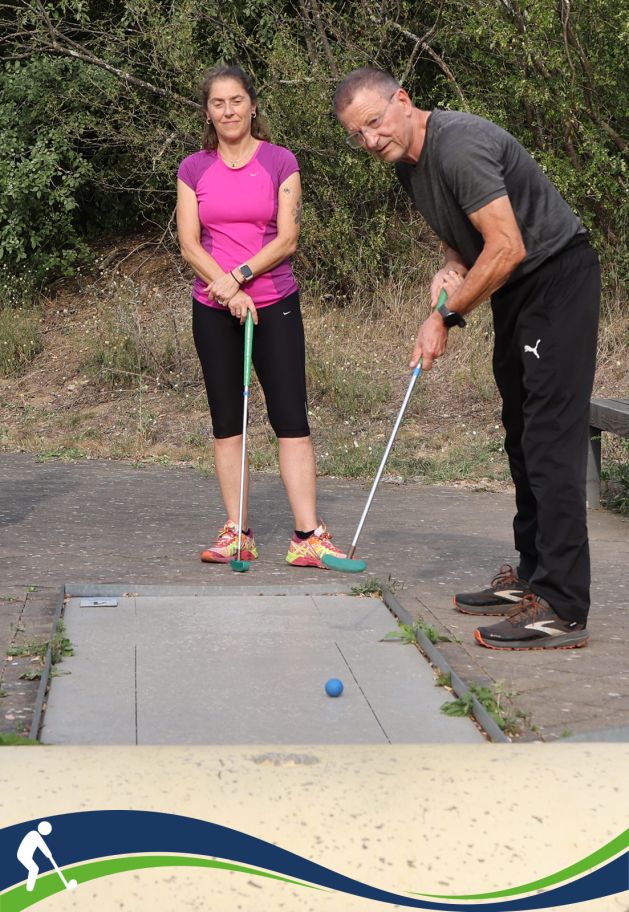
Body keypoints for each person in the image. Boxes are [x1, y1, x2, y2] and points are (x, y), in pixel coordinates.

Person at [334, 68, 600, 650]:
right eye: (358, 135)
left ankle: (561, 606)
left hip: (555, 279)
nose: (371, 141)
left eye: (375, 123)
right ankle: (531, 575)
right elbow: (471, 236)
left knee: (551, 439)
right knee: (521, 432)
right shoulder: (409, 165)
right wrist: (451, 263)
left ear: (402, 101)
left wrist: (446, 316)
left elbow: (508, 245)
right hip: (518, 291)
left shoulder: (458, 145)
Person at [177, 65, 345, 568]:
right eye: (217, 103)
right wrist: (226, 289)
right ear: (208, 111)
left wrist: (242, 276)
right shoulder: (193, 168)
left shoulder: (280, 161)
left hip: (275, 302)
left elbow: (287, 238)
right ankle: (237, 532)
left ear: (253, 105)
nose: (228, 111)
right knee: (227, 423)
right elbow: (189, 243)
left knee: (291, 419)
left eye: (236, 101)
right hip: (213, 307)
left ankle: (308, 536)